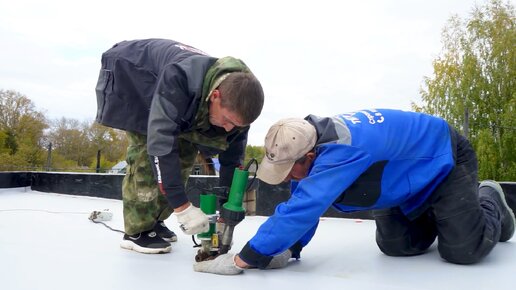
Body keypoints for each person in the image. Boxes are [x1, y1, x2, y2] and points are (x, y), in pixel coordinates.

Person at [193, 109, 515, 274]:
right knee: (395, 245)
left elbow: (305, 207)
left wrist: (244, 257)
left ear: (309, 156)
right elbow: (303, 203)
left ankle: (489, 199)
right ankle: (446, 215)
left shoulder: (342, 149)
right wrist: (290, 250)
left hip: (443, 160)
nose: (289, 177)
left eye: (291, 170)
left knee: (462, 250)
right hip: (403, 178)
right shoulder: (305, 143)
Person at [94, 39, 264, 254]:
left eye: (237, 125)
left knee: (186, 153)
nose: (230, 129)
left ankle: (155, 221)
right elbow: (161, 144)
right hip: (133, 74)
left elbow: (232, 159)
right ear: (216, 96)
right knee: (147, 151)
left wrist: (225, 206)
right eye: (228, 120)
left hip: (182, 98)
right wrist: (182, 208)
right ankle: (136, 231)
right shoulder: (180, 78)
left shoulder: (241, 101)